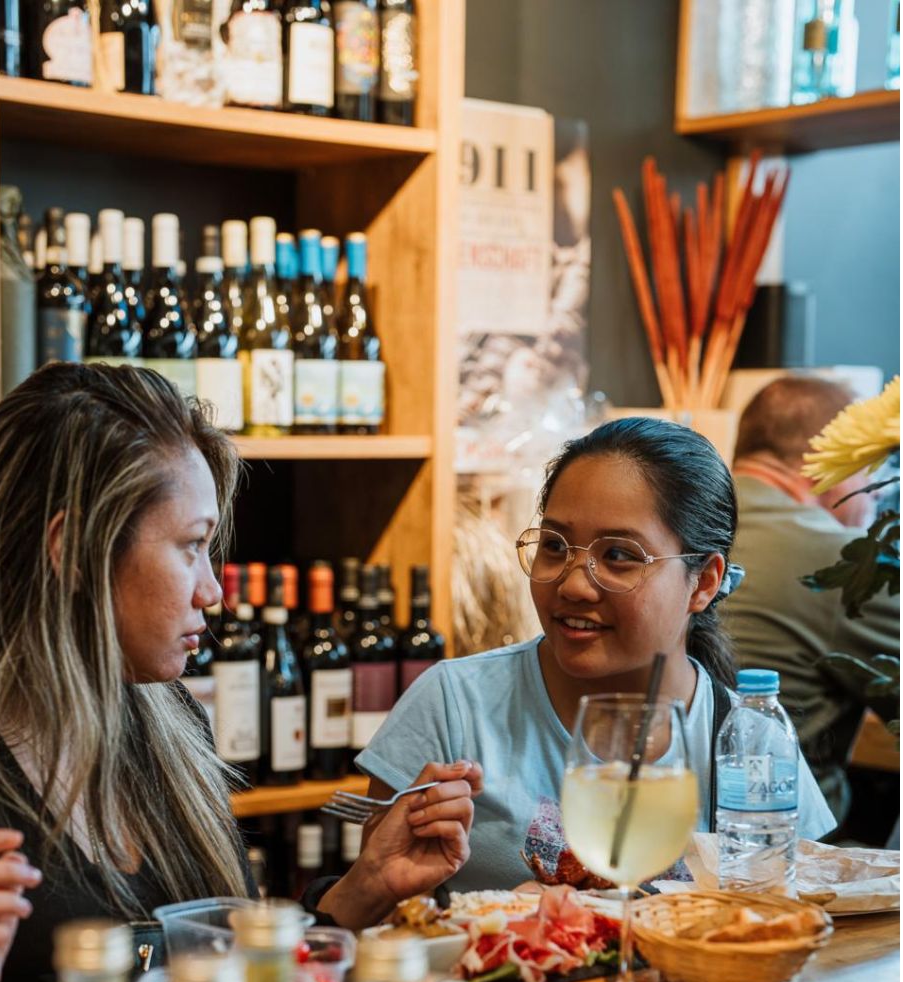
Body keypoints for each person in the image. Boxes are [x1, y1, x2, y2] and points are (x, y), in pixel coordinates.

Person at [0, 365, 482, 982]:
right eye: (192, 546)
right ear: (75, 552)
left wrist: (365, 888)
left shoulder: (168, 717)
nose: (212, 590)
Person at [326, 417, 840, 929]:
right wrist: (375, 887)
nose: (573, 585)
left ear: (703, 582)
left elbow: (807, 922)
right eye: (554, 546)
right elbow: (367, 936)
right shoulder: (454, 704)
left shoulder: (748, 737)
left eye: (618, 556)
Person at [721, 376, 898, 832]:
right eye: (872, 471)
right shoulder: (842, 559)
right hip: (787, 851)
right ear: (828, 463)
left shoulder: (684, 525)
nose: (878, 493)